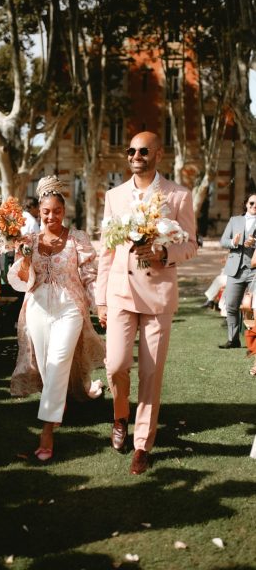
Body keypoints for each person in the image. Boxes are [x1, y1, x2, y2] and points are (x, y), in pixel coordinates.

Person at [95, 132, 197, 475]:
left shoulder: (178, 195)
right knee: (115, 366)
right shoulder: (114, 196)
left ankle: (142, 444)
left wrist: (163, 252)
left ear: (158, 154)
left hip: (158, 296)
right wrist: (101, 299)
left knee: (151, 375)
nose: (135, 156)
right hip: (120, 294)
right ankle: (120, 416)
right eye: (131, 151)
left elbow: (191, 245)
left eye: (143, 151)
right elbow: (106, 252)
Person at [8, 175, 104, 462]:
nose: (51, 217)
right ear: (39, 211)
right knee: (48, 364)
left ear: (65, 212)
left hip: (69, 306)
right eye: (46, 212)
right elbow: (21, 280)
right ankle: (60, 406)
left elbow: (90, 275)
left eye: (57, 211)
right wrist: (24, 258)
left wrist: (101, 305)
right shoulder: (28, 241)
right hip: (37, 306)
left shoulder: (78, 239)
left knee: (59, 359)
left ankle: (47, 431)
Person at [218, 194, 256, 349]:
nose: (254, 206)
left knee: (255, 306)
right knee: (231, 305)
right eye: (252, 203)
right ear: (246, 204)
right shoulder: (235, 220)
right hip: (235, 269)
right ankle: (233, 340)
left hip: (254, 270)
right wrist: (234, 242)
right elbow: (223, 241)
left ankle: (254, 342)